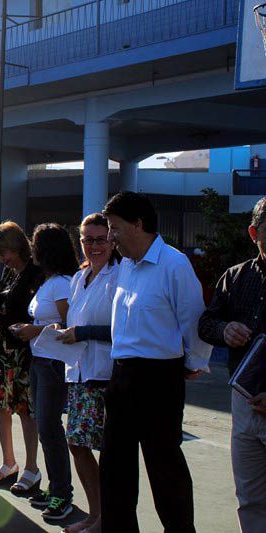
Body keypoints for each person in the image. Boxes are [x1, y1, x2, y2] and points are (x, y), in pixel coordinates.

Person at [101, 191, 211, 532]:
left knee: (164, 467)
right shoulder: (125, 267)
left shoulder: (174, 264)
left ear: (138, 224)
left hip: (159, 379)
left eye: (115, 227)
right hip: (121, 376)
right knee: (115, 467)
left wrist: (193, 362)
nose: (110, 236)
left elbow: (192, 319)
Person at [198, 196, 266, 532]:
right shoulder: (235, 277)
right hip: (243, 401)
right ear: (254, 232)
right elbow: (206, 324)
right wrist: (225, 329)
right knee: (250, 494)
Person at [54, 214, 121, 533]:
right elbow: (76, 323)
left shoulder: (120, 275)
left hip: (105, 375)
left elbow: (123, 329)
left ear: (112, 241)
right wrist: (62, 332)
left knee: (105, 452)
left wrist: (82, 332)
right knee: (77, 444)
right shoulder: (78, 278)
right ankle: (96, 514)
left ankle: (107, 518)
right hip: (78, 373)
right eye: (87, 240)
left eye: (100, 239)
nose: (93, 246)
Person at [13, 223, 78, 520]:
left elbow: (68, 325)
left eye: (35, 243)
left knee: (50, 430)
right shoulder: (50, 281)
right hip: (41, 360)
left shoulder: (63, 283)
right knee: (45, 428)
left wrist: (33, 329)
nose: (31, 248)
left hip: (53, 363)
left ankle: (62, 494)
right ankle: (56, 490)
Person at [0, 221, 43, 494]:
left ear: (18, 246)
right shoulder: (9, 272)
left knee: (26, 410)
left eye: (4, 252)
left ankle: (32, 468)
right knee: (1, 406)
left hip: (22, 350)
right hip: (1, 347)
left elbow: (28, 315)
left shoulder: (34, 273)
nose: (2, 258)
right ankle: (9, 462)